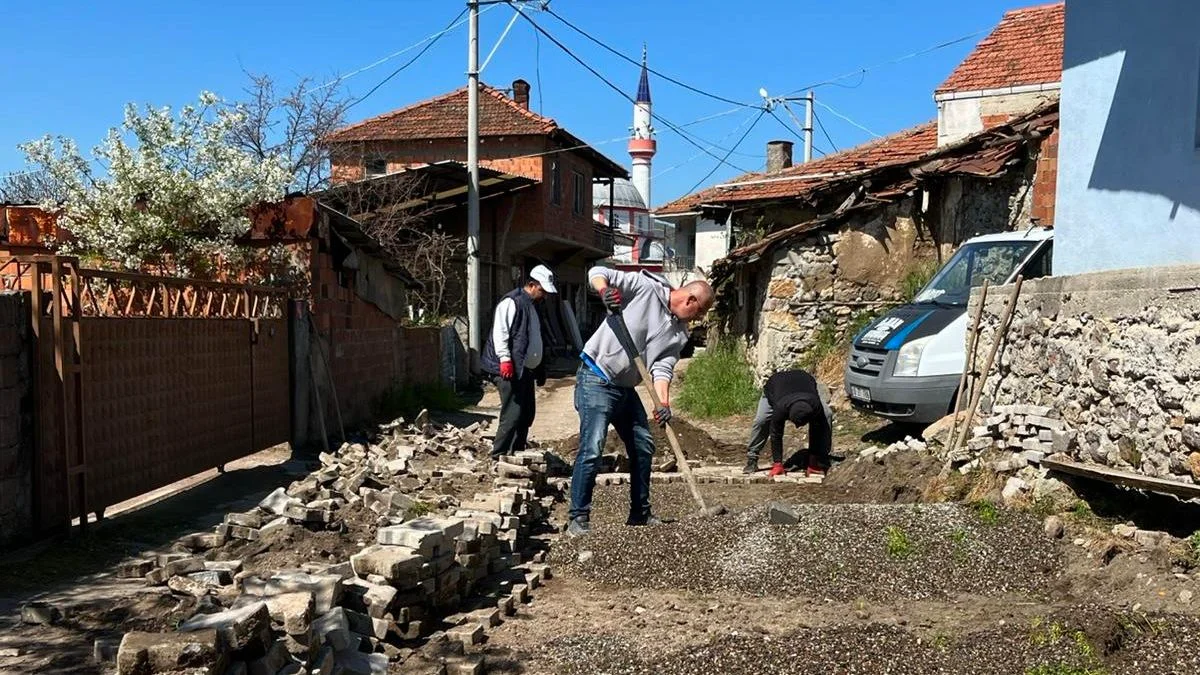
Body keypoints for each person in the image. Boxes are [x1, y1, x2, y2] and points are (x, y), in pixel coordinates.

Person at [566, 266, 715, 537]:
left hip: (625, 388)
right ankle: (578, 519)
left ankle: (640, 514)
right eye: (700, 312)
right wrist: (604, 291)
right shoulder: (645, 287)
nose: (698, 319)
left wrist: (663, 403)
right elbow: (597, 271)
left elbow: (662, 368)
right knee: (592, 446)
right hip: (596, 377)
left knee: (643, 446)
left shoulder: (679, 334)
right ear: (690, 300)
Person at [481, 264, 557, 459]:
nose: (544, 295)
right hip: (509, 369)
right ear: (532, 285)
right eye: (542, 290)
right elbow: (501, 333)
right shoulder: (511, 302)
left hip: (524, 370)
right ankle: (499, 455)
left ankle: (517, 453)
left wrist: (539, 369)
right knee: (513, 413)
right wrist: (505, 359)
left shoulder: (533, 306)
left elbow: (534, 338)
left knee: (526, 414)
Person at [743, 368, 833, 477]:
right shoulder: (780, 408)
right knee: (761, 420)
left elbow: (816, 429)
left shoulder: (815, 405)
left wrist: (813, 461)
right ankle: (752, 458)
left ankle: (821, 457)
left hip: (804, 385)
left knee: (827, 415)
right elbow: (776, 433)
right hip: (776, 388)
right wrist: (778, 464)